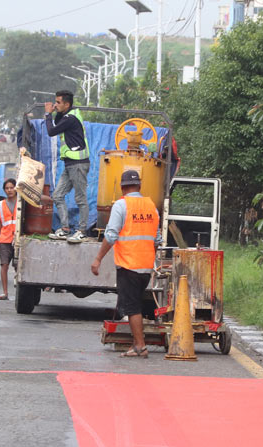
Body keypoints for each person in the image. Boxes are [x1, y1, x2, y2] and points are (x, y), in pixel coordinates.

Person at [91, 171, 161, 358]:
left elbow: (111, 235)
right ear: (139, 186)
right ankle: (136, 344)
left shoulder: (121, 205)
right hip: (146, 266)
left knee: (132, 307)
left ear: (122, 187)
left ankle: (140, 346)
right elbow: (157, 238)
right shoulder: (151, 206)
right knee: (134, 304)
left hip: (129, 264)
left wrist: (98, 258)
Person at [45, 90, 90, 244]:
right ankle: (65, 229)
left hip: (78, 163)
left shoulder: (71, 118)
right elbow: (57, 123)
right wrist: (55, 113)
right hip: (69, 163)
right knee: (57, 195)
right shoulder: (67, 116)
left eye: (58, 102)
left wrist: (47, 115)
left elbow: (51, 130)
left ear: (67, 104)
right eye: (55, 102)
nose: (55, 105)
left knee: (81, 198)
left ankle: (82, 231)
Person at [0, 178, 18, 301]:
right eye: (7, 188)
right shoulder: (0, 205)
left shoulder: (21, 203)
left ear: (16, 188)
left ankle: (19, 291)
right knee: (4, 265)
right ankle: (5, 292)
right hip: (4, 239)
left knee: (18, 266)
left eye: (11, 187)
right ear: (4, 190)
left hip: (18, 239)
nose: (9, 190)